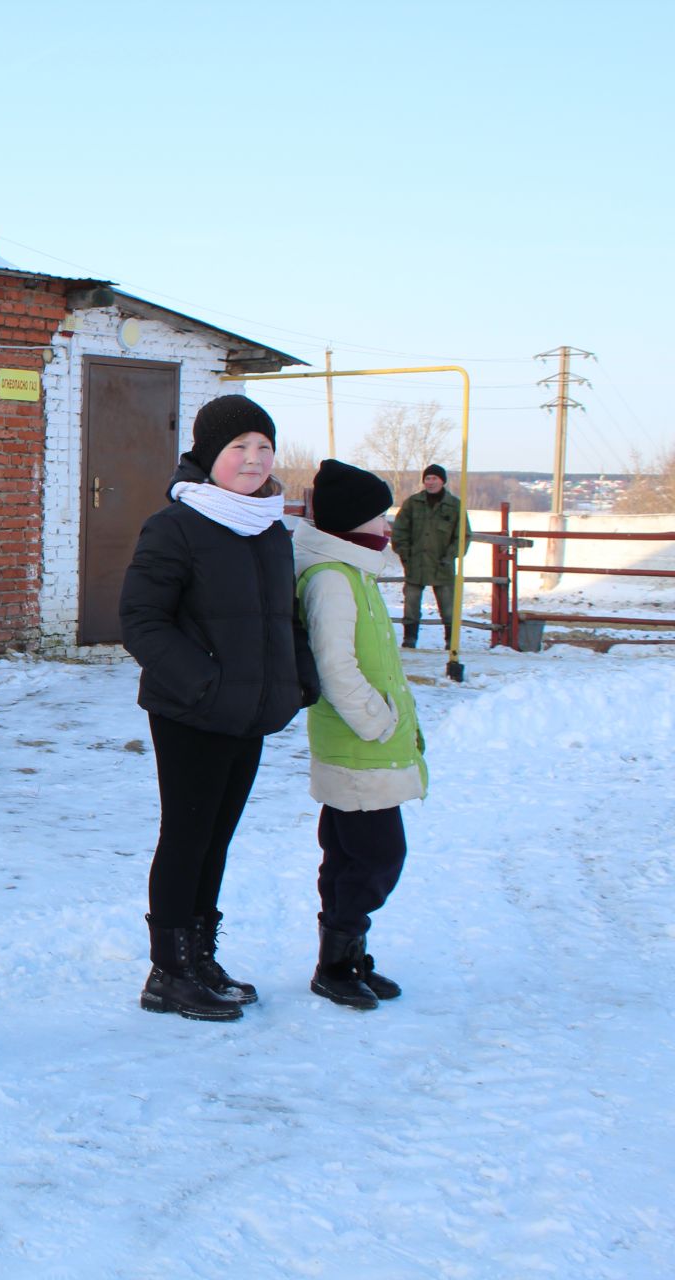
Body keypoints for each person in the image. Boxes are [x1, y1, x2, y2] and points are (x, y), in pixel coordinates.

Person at [118, 395, 314, 1022]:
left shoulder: (269, 529)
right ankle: (168, 971)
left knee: (217, 840)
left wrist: (297, 680)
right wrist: (202, 682)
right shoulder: (175, 526)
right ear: (208, 455)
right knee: (186, 836)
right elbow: (141, 621)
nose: (254, 460)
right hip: (191, 711)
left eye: (263, 448)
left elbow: (285, 618)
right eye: (239, 449)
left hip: (250, 710)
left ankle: (199, 956)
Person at [293, 460, 427, 1010]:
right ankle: (337, 960)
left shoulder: (355, 572)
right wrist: (378, 722)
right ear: (351, 522)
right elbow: (336, 666)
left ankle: (344, 959)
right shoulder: (331, 579)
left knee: (349, 857)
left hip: (366, 746)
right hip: (358, 745)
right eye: (380, 515)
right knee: (376, 857)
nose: (388, 526)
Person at [393, 463, 468, 648]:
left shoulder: (454, 506)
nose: (431, 482)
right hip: (415, 565)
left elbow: (463, 536)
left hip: (442, 566)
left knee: (448, 608)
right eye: (427, 478)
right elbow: (399, 531)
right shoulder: (412, 503)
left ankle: (451, 643)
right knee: (411, 606)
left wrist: (450, 556)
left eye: (434, 478)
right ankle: (409, 639)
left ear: (443, 481)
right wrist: (405, 555)